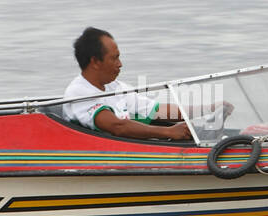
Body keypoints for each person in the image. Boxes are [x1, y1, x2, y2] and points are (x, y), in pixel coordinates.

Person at [62, 28, 214, 140]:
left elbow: (156, 110)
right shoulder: (78, 92)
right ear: (95, 61)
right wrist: (168, 132)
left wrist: (209, 109)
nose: (120, 64)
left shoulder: (115, 87)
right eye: (114, 58)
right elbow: (117, 127)